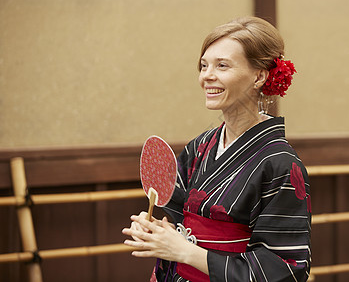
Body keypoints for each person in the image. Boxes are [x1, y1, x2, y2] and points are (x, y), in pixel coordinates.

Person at [122, 16, 312, 282]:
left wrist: (185, 252)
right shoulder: (199, 147)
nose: (206, 76)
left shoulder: (280, 163)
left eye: (222, 65)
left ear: (259, 76)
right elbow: (182, 222)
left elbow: (284, 268)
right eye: (203, 66)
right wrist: (158, 230)